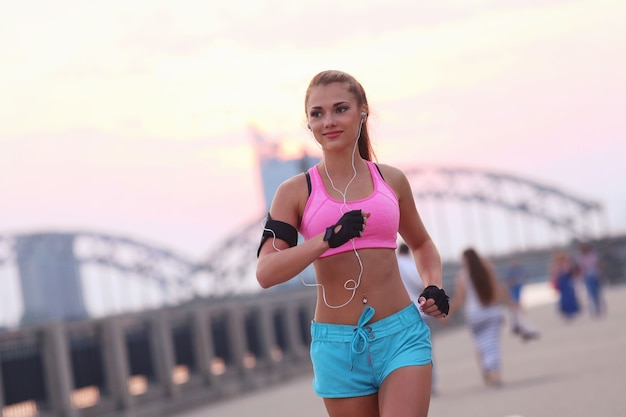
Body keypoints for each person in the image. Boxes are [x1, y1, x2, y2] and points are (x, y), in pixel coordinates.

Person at [256, 70, 449, 417]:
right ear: (309, 123)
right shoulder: (294, 192)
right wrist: (326, 240)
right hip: (337, 346)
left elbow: (421, 245)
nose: (328, 121)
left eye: (340, 109)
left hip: (401, 335)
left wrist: (433, 285)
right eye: (317, 114)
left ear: (363, 112)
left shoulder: (392, 181)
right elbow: (266, 272)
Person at [446, 247, 518, 388]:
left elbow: (459, 299)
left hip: (474, 315)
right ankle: (495, 374)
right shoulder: (487, 269)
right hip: (491, 312)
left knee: (481, 346)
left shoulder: (462, 276)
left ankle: (486, 371)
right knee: (492, 344)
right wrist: (511, 303)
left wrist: (448, 314)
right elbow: (498, 288)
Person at [396, 242, 439, 395]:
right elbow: (420, 283)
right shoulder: (410, 264)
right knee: (425, 351)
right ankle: (430, 385)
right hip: (421, 312)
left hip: (402, 314)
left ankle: (413, 389)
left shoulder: (397, 264)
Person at [575, 242, 606, 317]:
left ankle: (598, 308)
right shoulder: (580, 257)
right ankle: (594, 309)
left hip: (595, 276)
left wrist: (601, 273)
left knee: (597, 293)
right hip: (587, 277)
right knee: (590, 294)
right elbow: (579, 268)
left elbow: (598, 264)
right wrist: (578, 277)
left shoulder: (593, 255)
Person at [549, 250, 580, 321]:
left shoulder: (566, 263)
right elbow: (554, 275)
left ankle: (571, 312)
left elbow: (571, 272)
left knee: (570, 297)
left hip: (567, 281)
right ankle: (566, 312)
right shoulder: (556, 265)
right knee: (564, 298)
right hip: (562, 282)